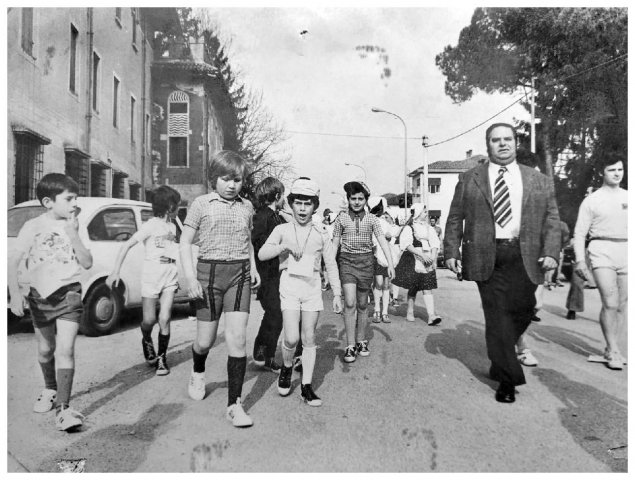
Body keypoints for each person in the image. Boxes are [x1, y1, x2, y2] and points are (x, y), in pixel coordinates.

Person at [444, 123, 560, 404]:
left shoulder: (538, 179)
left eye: (508, 139)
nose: (503, 144)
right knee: (497, 315)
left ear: (515, 142)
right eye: (496, 140)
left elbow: (552, 219)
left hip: (525, 254)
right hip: (486, 254)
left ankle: (499, 360)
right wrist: (451, 251)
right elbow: (455, 216)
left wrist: (551, 252)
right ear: (488, 145)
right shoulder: (470, 178)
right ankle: (508, 379)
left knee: (525, 309)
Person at [179, 150, 261, 428]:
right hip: (208, 275)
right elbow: (185, 242)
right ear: (213, 178)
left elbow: (248, 241)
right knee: (205, 341)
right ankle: (197, 370)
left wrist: (253, 267)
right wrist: (191, 279)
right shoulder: (201, 204)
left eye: (237, 180)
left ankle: (234, 405)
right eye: (225, 179)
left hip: (239, 275)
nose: (231, 185)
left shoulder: (247, 207)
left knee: (237, 338)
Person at [8, 173, 93, 431]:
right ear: (48, 202)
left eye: (76, 198)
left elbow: (87, 262)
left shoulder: (76, 225)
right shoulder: (32, 226)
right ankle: (50, 389)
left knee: (66, 351)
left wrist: (74, 234)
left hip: (69, 294)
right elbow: (13, 261)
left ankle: (63, 410)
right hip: (40, 296)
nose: (75, 203)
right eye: (69, 198)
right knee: (45, 350)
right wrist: (15, 294)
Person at [259, 177, 343, 406]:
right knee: (291, 337)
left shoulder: (321, 232)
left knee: (309, 337)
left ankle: (307, 386)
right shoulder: (282, 229)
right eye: (298, 203)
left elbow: (331, 264)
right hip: (289, 286)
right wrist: (283, 247)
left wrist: (337, 293)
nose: (303, 209)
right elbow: (262, 254)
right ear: (291, 204)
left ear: (315, 206)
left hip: (312, 287)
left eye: (308, 204)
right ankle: (287, 366)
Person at [107, 185, 181, 376]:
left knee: (164, 318)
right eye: (177, 204)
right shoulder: (150, 225)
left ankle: (162, 359)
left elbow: (174, 251)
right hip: (152, 274)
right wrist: (115, 271)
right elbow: (126, 245)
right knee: (149, 320)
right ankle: (146, 338)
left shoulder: (173, 226)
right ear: (169, 206)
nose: (178, 208)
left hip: (170, 274)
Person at [572, 156, 627, 370]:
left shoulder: (628, 197)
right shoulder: (592, 200)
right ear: (602, 173)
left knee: (622, 305)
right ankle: (613, 350)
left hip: (626, 250)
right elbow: (579, 233)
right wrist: (580, 260)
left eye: (620, 169)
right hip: (602, 250)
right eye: (611, 169)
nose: (617, 173)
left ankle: (612, 346)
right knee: (610, 303)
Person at [332, 181, 395, 363]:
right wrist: (329, 267)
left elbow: (383, 241)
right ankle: (350, 345)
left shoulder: (372, 220)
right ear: (348, 199)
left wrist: (390, 264)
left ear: (366, 200)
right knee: (349, 302)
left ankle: (361, 340)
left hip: (366, 263)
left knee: (362, 304)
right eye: (353, 198)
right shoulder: (341, 219)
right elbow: (334, 244)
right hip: (346, 262)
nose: (357, 202)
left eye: (360, 198)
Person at [250, 177, 286, 373]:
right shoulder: (267, 218)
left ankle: (264, 353)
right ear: (278, 195)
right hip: (268, 274)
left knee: (274, 314)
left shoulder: (269, 216)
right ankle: (263, 353)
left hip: (271, 273)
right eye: (283, 195)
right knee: (275, 314)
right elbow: (259, 247)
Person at [393, 205, 442, 325]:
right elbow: (407, 245)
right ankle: (410, 311)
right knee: (413, 287)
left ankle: (431, 316)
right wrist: (421, 255)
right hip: (414, 259)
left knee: (427, 287)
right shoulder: (409, 228)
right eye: (424, 212)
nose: (426, 214)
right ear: (418, 213)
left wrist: (432, 258)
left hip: (427, 259)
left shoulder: (429, 228)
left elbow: (435, 243)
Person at [368, 197, 393, 323]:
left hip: (386, 255)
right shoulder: (369, 221)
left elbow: (391, 236)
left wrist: (389, 236)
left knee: (386, 284)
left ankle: (385, 312)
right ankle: (377, 310)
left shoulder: (385, 222)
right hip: (376, 254)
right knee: (378, 283)